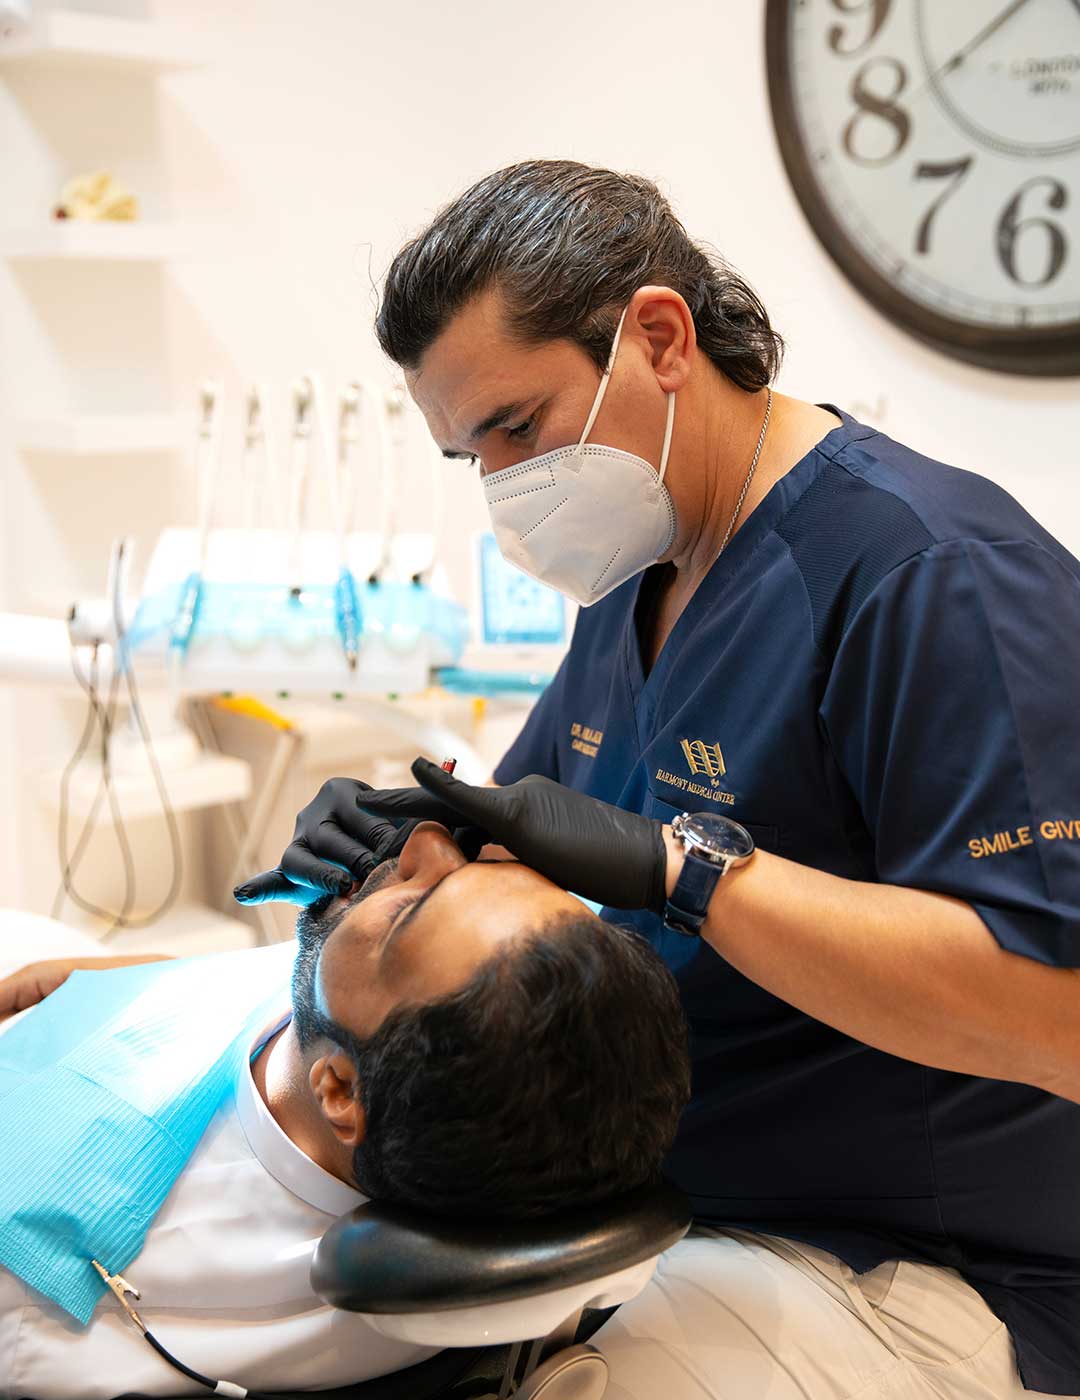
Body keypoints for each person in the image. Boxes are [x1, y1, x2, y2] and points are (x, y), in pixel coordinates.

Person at [237, 160, 1080, 1398]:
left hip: (929, 1271)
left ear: (660, 336)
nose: (511, 490)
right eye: (475, 459)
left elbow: (1054, 1016)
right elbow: (532, 837)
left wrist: (685, 871)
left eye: (520, 429)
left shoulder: (927, 572)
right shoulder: (641, 570)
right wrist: (407, 834)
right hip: (667, 1213)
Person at [0, 821, 691, 1399]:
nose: (423, 843)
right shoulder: (431, 1035)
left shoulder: (48, 1282)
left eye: (410, 907)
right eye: (484, 860)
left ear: (338, 1092)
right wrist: (153, 979)